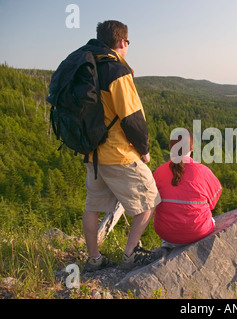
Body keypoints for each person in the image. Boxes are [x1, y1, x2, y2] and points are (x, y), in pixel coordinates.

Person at [81, 20, 161, 271]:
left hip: (92, 153)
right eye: (127, 43)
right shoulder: (116, 70)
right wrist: (144, 150)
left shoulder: (86, 66)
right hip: (118, 153)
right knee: (149, 201)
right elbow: (132, 117)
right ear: (121, 42)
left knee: (93, 206)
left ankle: (94, 259)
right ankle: (130, 256)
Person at [152, 128, 222, 247]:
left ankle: (169, 244)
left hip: (166, 233)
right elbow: (212, 204)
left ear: (170, 147)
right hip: (198, 231)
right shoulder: (203, 171)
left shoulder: (158, 172)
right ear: (192, 148)